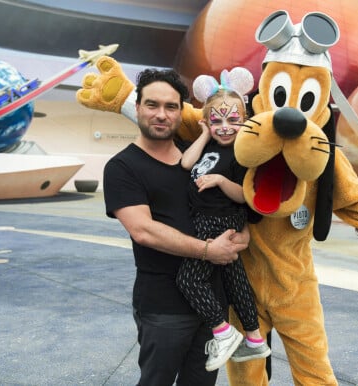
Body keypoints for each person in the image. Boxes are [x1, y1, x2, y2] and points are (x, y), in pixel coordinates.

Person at [103, 68, 250, 386]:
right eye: (152, 104)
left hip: (213, 303)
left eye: (171, 107)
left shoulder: (200, 155)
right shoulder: (122, 167)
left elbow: (237, 201)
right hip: (164, 306)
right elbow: (144, 230)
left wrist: (244, 233)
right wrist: (209, 251)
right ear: (138, 107)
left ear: (181, 111)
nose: (161, 114)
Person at [176, 68, 271, 372]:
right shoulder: (211, 146)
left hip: (218, 219)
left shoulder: (244, 154)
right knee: (234, 281)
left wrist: (218, 180)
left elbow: (245, 195)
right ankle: (254, 338)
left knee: (188, 279)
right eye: (217, 121)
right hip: (207, 219)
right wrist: (204, 134)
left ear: (245, 120)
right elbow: (186, 163)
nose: (225, 127)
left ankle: (223, 331)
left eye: (233, 120)